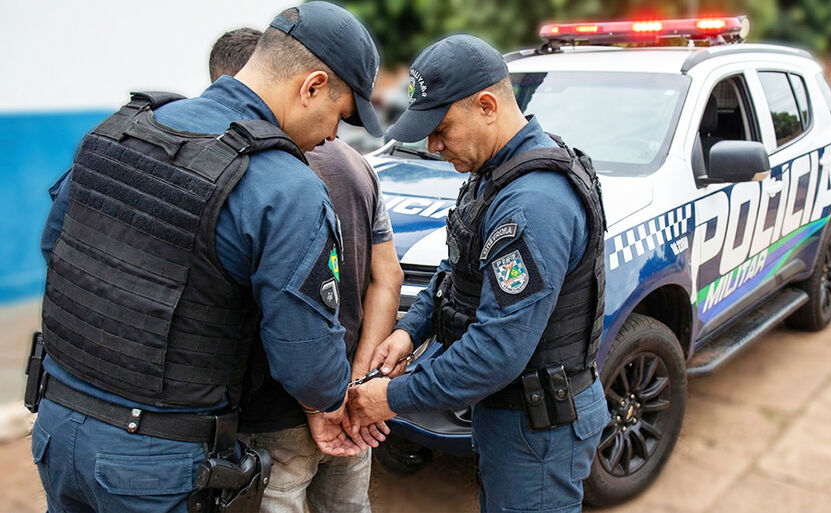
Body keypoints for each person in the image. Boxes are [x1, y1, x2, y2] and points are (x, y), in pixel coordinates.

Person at [31, 3, 383, 512]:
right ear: (311, 86)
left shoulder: (120, 130)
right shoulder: (285, 188)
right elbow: (306, 361)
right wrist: (325, 401)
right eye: (341, 115)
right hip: (154, 464)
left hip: (57, 426)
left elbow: (56, 249)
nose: (334, 135)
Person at [348, 35, 610, 512]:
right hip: (512, 415)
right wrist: (410, 331)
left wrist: (391, 398)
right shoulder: (495, 170)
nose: (433, 145)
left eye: (441, 128)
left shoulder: (533, 202)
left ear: (487, 106)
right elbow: (459, 266)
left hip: (538, 428)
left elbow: (496, 351)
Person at [207, 27, 403, 513]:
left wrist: (329, 399)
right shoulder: (359, 164)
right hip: (345, 399)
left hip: (270, 411)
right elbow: (388, 276)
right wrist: (354, 386)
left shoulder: (235, 166)